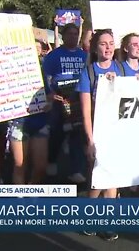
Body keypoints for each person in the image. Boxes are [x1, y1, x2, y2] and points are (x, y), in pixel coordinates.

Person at [76, 29, 139, 241]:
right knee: (97, 177)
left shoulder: (122, 69)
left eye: (110, 43)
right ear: (95, 47)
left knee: (112, 175)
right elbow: (86, 111)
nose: (107, 47)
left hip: (119, 132)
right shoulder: (88, 72)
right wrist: (90, 140)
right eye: (103, 43)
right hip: (98, 132)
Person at [43, 23, 87, 183]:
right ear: (63, 36)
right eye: (70, 34)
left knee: (77, 134)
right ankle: (52, 161)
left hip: (77, 100)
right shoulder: (54, 55)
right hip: (59, 101)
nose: (74, 36)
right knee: (57, 133)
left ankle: (76, 170)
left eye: (76, 34)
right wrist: (51, 93)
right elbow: (46, 76)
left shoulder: (84, 56)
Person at [8, 41, 52, 185]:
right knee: (20, 165)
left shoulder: (43, 70)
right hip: (19, 121)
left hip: (39, 121)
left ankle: (31, 193)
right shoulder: (12, 69)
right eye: (32, 48)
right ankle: (21, 201)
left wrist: (49, 103)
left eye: (38, 48)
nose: (35, 50)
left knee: (41, 167)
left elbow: (50, 94)